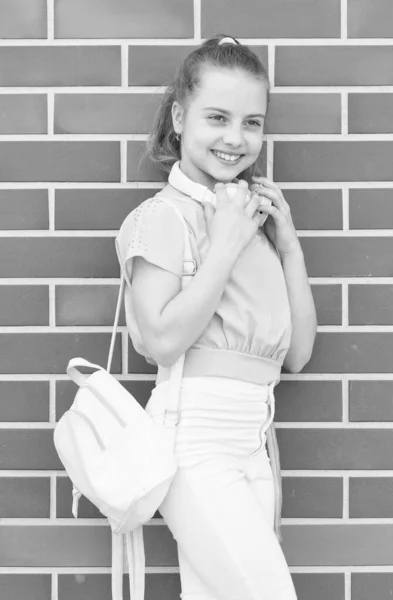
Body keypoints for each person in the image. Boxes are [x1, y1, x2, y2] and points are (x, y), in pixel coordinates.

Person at [116, 34, 317, 600]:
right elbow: (159, 342)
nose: (236, 139)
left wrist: (290, 247)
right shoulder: (163, 218)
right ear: (180, 117)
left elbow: (296, 355)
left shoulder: (250, 220)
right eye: (218, 117)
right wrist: (226, 244)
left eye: (252, 122)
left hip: (254, 444)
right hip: (194, 444)